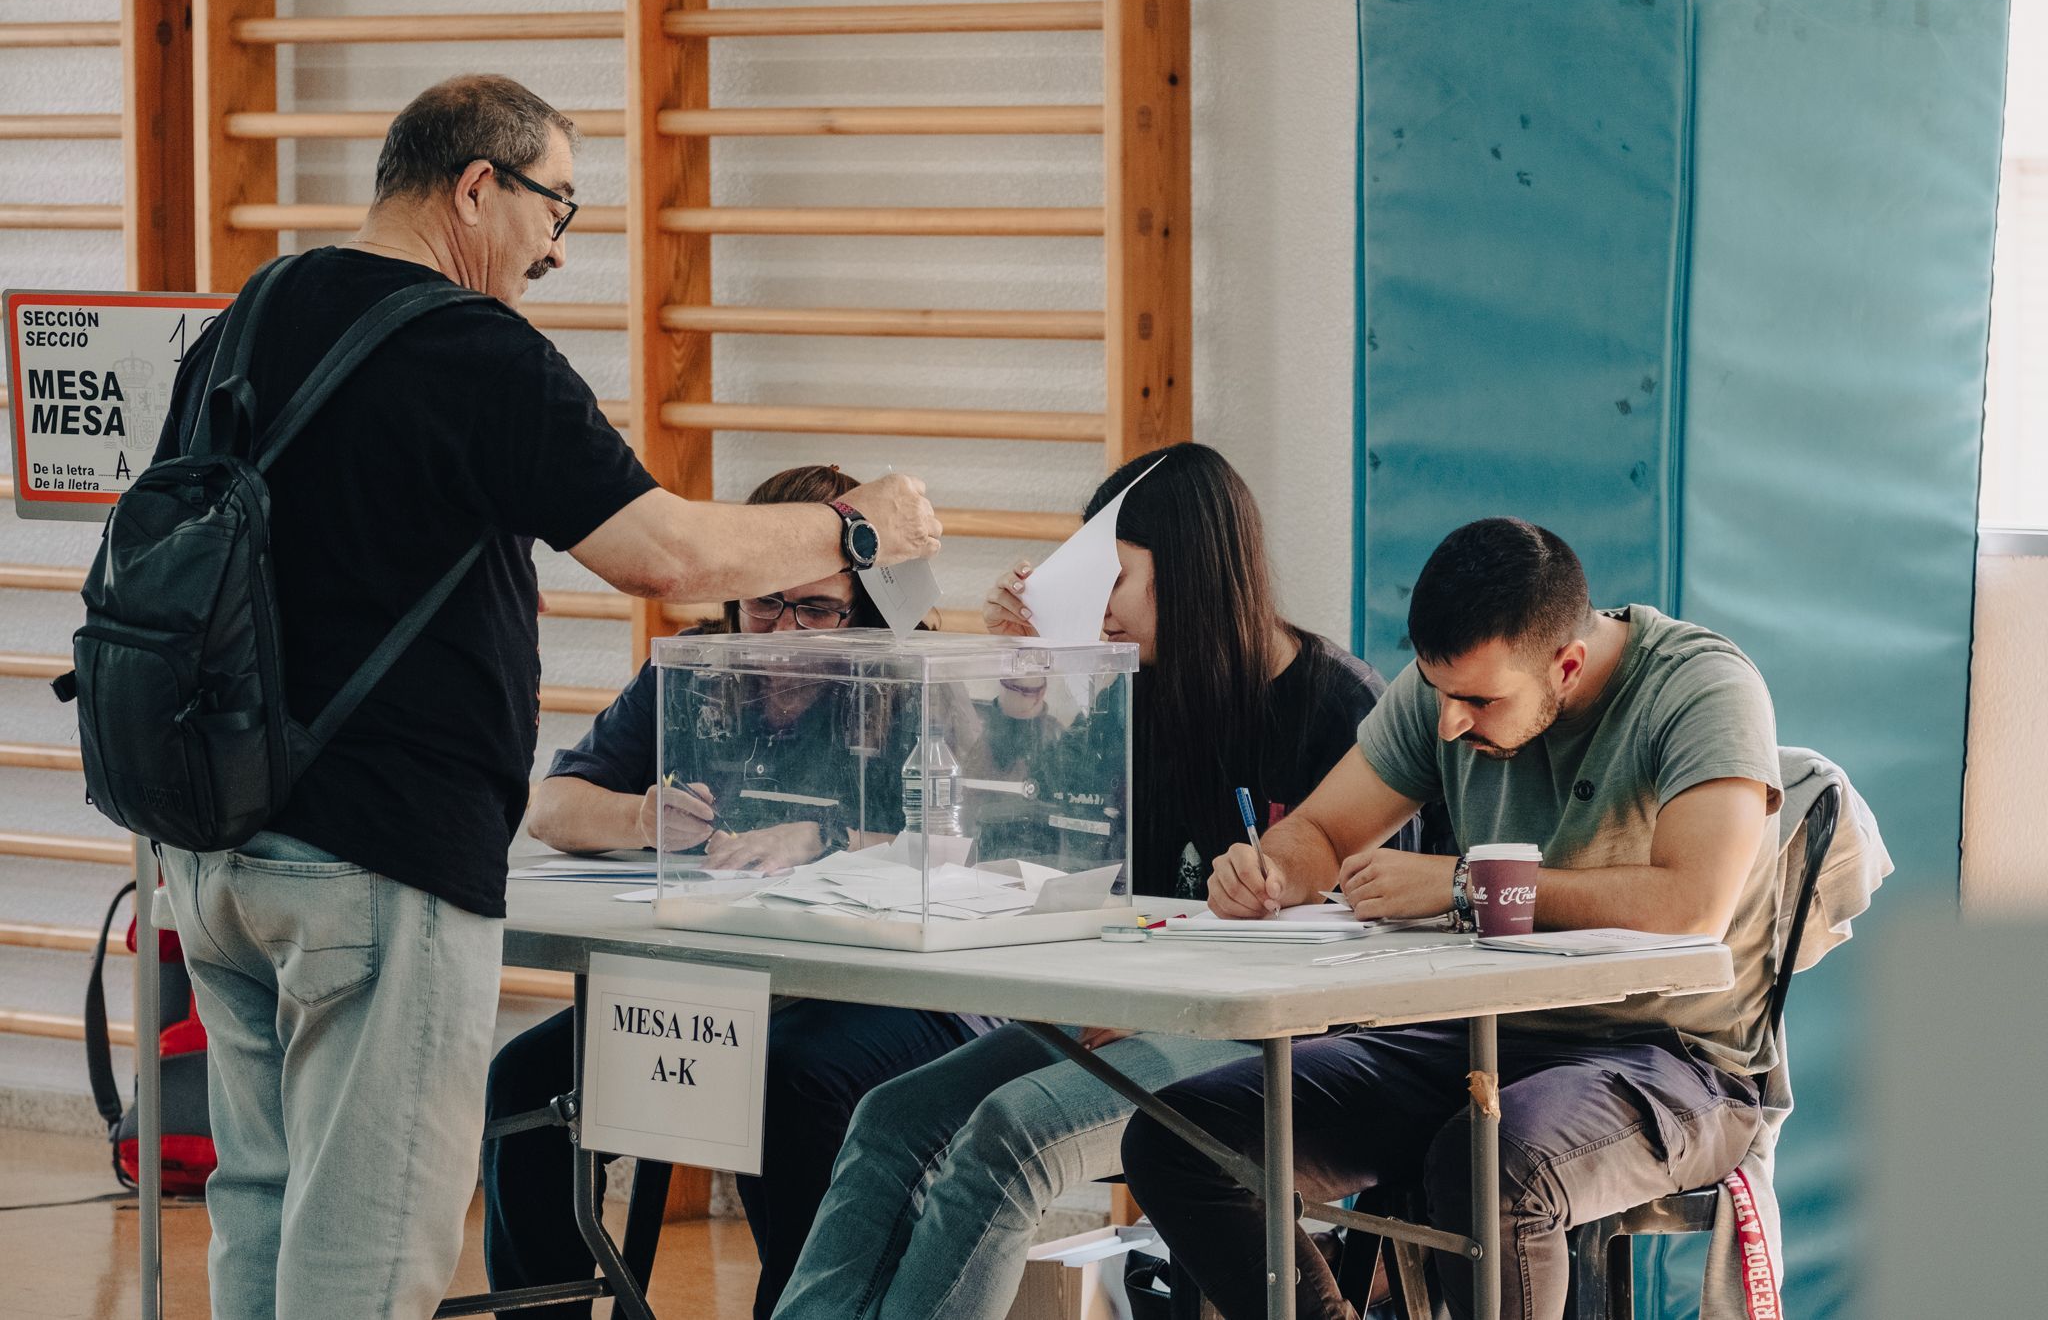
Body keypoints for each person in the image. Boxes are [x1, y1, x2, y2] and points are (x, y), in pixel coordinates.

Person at [150, 76, 940, 1320]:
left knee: (263, 1220)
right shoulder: (471, 349)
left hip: (217, 847)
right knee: (363, 1256)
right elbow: (663, 555)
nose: (557, 249)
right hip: (377, 862)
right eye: (555, 207)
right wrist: (854, 531)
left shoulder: (258, 309)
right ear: (477, 186)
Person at [772, 443, 1420, 1320]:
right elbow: (1020, 842)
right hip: (1125, 1009)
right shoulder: (1138, 693)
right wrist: (1022, 690)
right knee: (889, 1118)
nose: (1099, 610)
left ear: (1188, 572)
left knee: (1010, 1136)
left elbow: (1370, 950)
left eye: (1113, 579)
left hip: (1263, 1037)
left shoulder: (1342, 707)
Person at [1121, 517, 1784, 1320]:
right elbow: (1324, 831)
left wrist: (1468, 883)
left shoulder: (1703, 687)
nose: (1449, 724)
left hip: (1675, 1058)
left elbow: (1691, 905)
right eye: (1438, 692)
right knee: (1179, 1137)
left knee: (1488, 1168)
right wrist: (1270, 868)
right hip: (1482, 1034)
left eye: (1476, 700)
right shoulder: (1452, 686)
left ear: (1566, 665)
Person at [485, 465, 997, 1320]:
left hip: (897, 993)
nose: (787, 633)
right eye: (764, 603)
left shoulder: (912, 678)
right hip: (739, 987)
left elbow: (967, 844)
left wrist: (823, 838)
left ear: (865, 604)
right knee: (526, 1083)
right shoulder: (696, 671)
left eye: (819, 610)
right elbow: (550, 806)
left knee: (787, 1083)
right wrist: (645, 815)